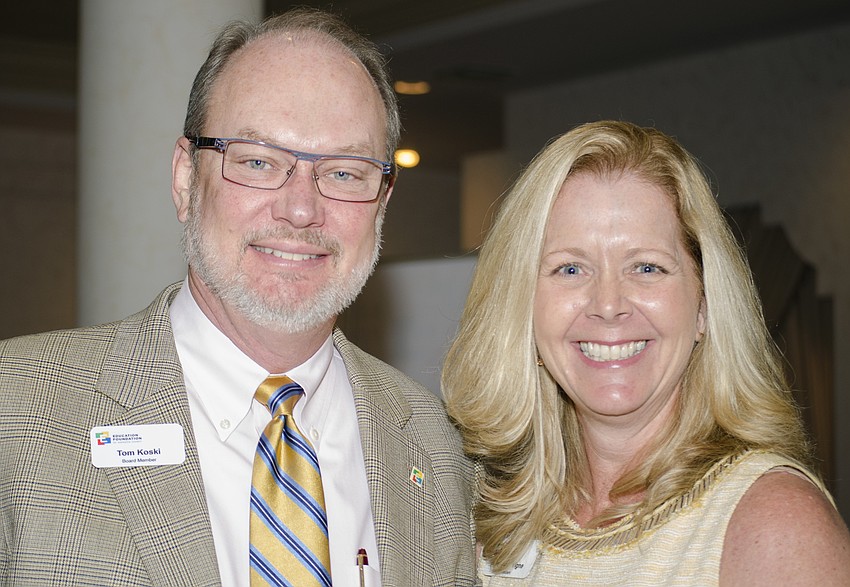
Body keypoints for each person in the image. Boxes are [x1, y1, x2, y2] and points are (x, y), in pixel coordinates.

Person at [0, 8, 476, 587]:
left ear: (382, 200)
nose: (300, 209)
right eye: (257, 161)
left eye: (345, 173)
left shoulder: (435, 444)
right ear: (185, 179)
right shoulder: (18, 413)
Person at [442, 120, 850, 585]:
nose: (608, 304)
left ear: (704, 305)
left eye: (646, 267)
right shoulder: (484, 520)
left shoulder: (775, 525)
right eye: (570, 268)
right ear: (523, 307)